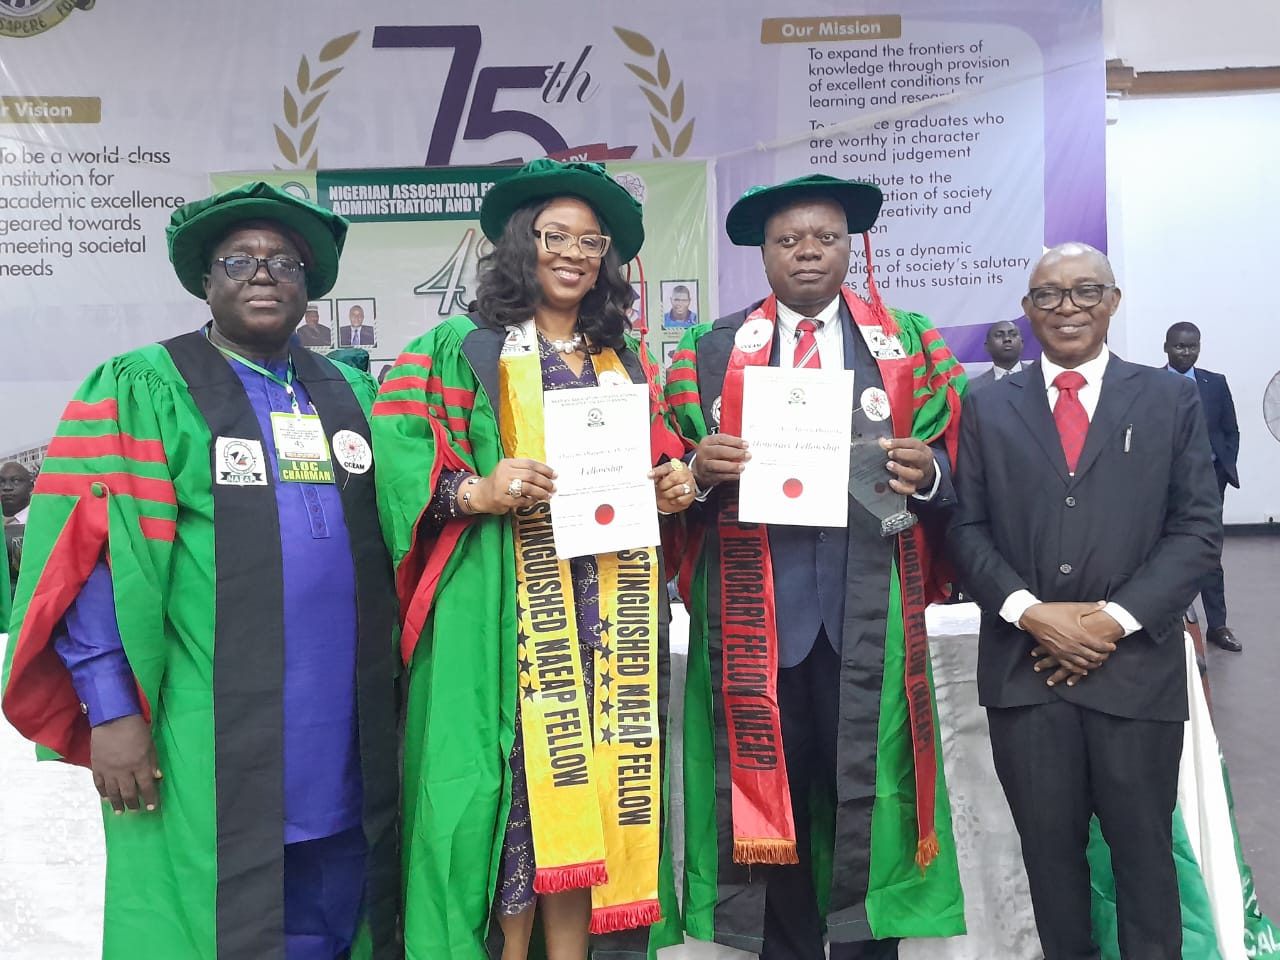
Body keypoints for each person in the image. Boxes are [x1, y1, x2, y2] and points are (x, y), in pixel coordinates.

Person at [1, 181, 400, 959]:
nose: (263, 273)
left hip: (346, 722)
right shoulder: (145, 386)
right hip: (206, 724)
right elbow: (94, 558)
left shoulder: (349, 391)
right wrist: (112, 710)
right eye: (239, 260)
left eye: (284, 261)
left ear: (309, 285)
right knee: (213, 914)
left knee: (337, 902)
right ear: (205, 281)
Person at [372, 158, 691, 960]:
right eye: (557, 236)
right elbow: (398, 460)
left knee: (592, 790)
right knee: (513, 793)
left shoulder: (623, 358)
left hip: (605, 610)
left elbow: (658, 458)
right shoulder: (456, 348)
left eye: (592, 241)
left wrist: (673, 480)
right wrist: (475, 491)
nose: (574, 253)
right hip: (503, 609)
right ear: (523, 243)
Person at [664, 174, 966, 959]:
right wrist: (698, 472)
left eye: (825, 237)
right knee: (773, 801)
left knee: (870, 795)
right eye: (788, 239)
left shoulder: (908, 344)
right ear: (762, 254)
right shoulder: (710, 351)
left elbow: (960, 456)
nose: (807, 252)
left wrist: (929, 470)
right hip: (756, 619)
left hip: (869, 613)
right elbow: (667, 471)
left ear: (850, 247)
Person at [949, 243, 1221, 960]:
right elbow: (966, 528)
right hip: (1026, 674)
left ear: (1113, 301)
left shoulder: (1167, 398)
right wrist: (1030, 612)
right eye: (1048, 295)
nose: (1066, 307)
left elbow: (1196, 530)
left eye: (1084, 291)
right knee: (1051, 863)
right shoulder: (986, 405)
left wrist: (1110, 621)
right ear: (1027, 309)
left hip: (1135, 672)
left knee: (1145, 860)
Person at [1164, 320, 1242, 652]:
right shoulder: (1151, 384)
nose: (1186, 352)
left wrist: (1222, 469)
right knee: (1166, 552)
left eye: (1192, 346)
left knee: (1209, 553)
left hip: (1209, 482)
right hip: (1166, 485)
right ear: (1166, 348)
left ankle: (1218, 625)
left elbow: (1230, 430)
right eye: (1179, 346)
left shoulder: (1215, 382)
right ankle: (1169, 623)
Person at [966, 319, 1025, 391]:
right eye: (999, 335)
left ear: (1022, 343)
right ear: (987, 346)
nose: (1007, 339)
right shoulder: (973, 387)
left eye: (1013, 335)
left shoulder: (1037, 375)